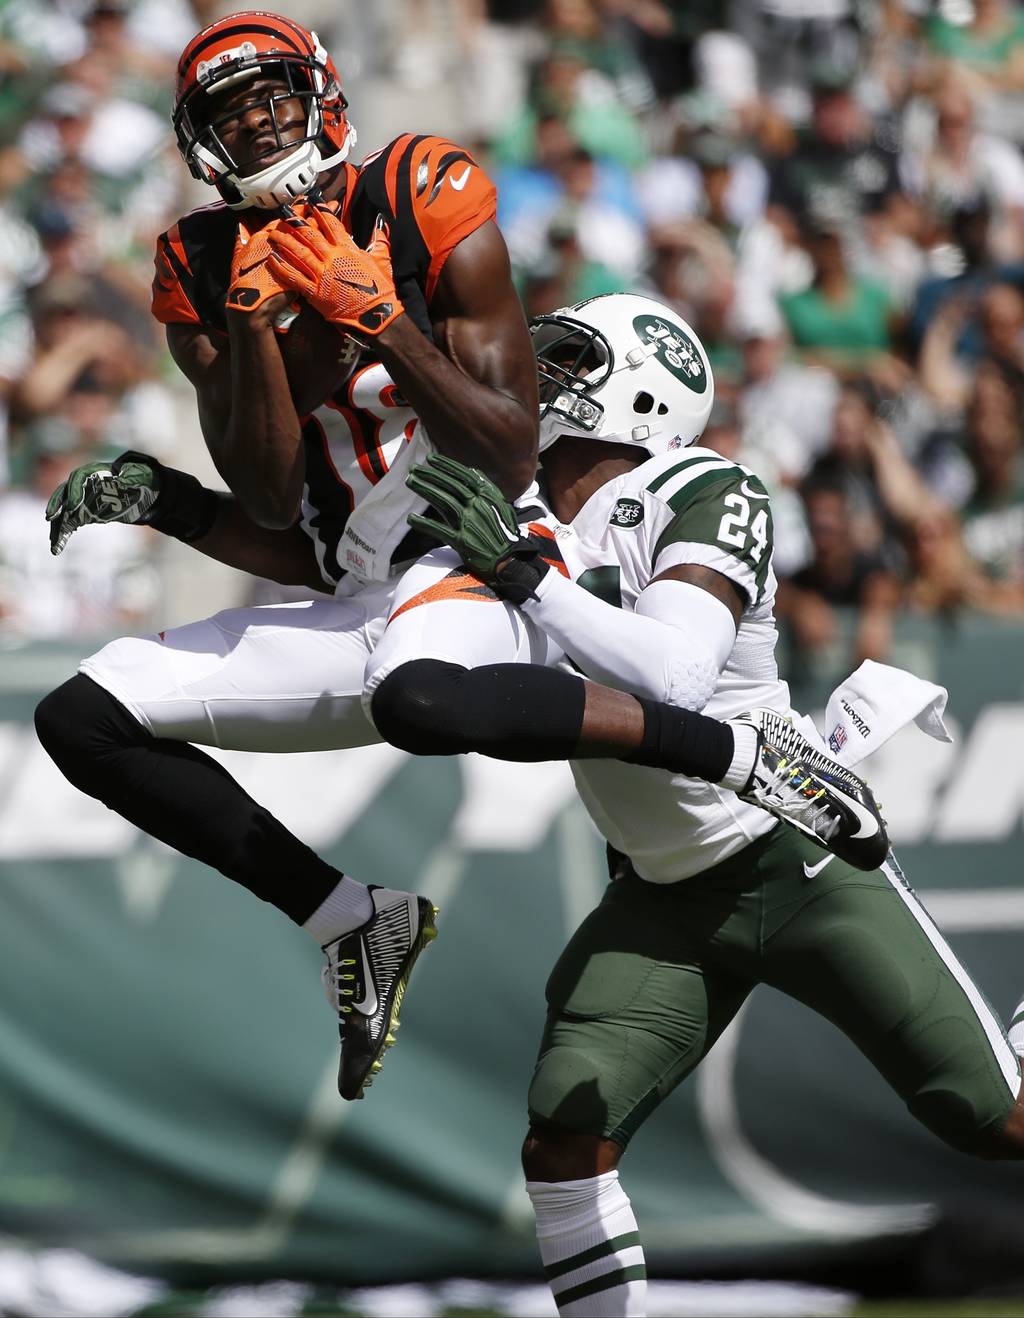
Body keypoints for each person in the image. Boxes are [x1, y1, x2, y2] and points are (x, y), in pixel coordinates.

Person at [32, 14, 874, 1105]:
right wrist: (248, 333)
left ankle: (739, 753)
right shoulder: (197, 264)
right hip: (365, 588)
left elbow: (509, 445)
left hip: (482, 545)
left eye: (273, 95)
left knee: (419, 695)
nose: (259, 123)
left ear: (322, 93)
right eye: (230, 113)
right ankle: (351, 919)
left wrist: (382, 318)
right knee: (83, 717)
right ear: (201, 145)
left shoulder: (422, 191)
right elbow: (282, 503)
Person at [368, 293, 1024, 1317]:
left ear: (642, 394)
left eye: (573, 357)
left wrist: (529, 579)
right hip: (665, 893)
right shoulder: (518, 505)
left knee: (994, 1119)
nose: (542, 373)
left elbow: (674, 674)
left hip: (791, 852)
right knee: (563, 1139)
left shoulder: (704, 485)